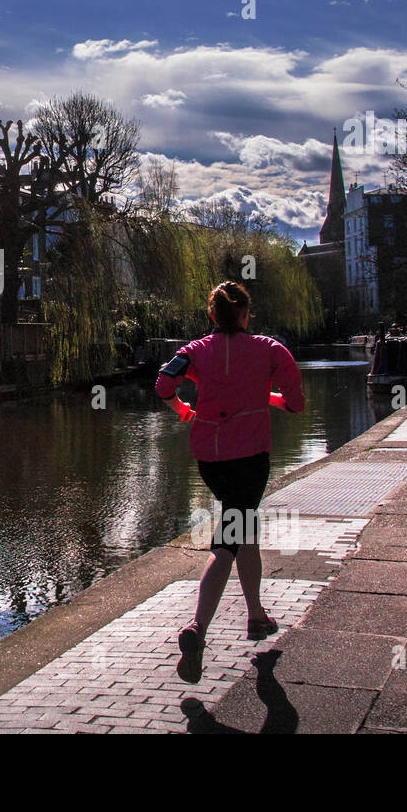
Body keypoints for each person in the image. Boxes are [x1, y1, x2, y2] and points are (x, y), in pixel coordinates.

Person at [155, 281, 305, 684]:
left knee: (244, 529)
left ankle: (256, 616)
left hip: (210, 458)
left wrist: (184, 409)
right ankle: (197, 630)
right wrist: (264, 398)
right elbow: (295, 403)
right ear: (245, 315)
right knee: (227, 542)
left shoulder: (194, 351)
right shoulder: (270, 349)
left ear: (212, 315)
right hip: (250, 458)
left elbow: (163, 384)